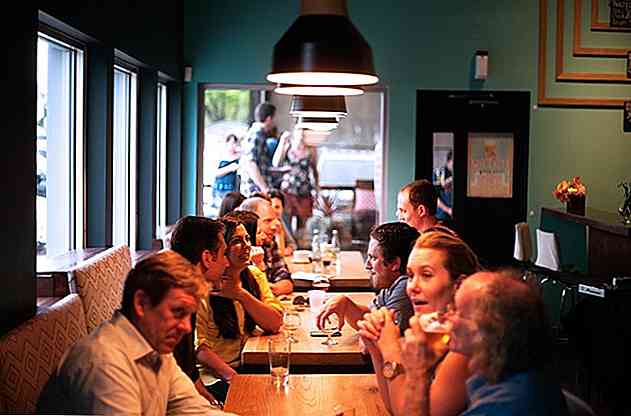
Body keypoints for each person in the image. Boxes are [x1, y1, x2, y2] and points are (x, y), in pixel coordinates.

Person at [37, 250, 233, 415]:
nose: (187, 327)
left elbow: (195, 410)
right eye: (177, 312)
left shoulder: (154, 347)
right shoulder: (104, 362)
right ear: (141, 303)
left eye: (189, 315)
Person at [401, 270, 569, 416]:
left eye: (456, 310)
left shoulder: (507, 404)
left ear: (487, 330)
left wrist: (416, 374)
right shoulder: (495, 370)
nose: (446, 317)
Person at [358, 230, 481, 416]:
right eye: (410, 275)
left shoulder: (466, 345)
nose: (412, 287)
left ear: (458, 285)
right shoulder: (435, 332)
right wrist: (375, 346)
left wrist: (391, 349)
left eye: (426, 275)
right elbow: (396, 407)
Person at [195, 217, 283, 404]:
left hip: (248, 365)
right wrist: (234, 378)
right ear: (222, 249)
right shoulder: (206, 285)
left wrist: (240, 294)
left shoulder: (253, 275)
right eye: (237, 241)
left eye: (247, 239)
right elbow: (199, 348)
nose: (247, 246)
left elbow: (275, 323)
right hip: (216, 376)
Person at [316, 222, 419, 335]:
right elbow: (370, 316)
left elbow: (383, 336)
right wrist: (346, 304)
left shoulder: (404, 286)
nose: (367, 266)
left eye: (373, 258)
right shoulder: (391, 284)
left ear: (395, 263)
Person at [169, 216, 229, 404]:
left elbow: (187, 369)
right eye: (224, 254)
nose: (227, 263)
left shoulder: (188, 290)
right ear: (207, 258)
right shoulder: (176, 301)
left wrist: (210, 403)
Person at [239, 196, 294, 295]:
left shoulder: (269, 243)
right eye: (268, 221)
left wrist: (270, 289)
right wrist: (268, 289)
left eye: (276, 219)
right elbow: (249, 291)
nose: (274, 226)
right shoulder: (239, 251)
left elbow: (286, 279)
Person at [272, 127, 320, 232]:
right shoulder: (288, 146)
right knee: (286, 221)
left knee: (303, 223)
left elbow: (315, 171)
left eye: (304, 134)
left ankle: (301, 241)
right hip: (288, 189)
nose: (301, 136)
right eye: (300, 133)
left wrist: (317, 190)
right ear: (295, 134)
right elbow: (276, 163)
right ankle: (289, 241)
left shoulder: (311, 149)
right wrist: (282, 142)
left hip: (304, 190)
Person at [240, 102, 276, 196]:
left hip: (256, 189)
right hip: (254, 191)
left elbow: (261, 164)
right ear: (269, 119)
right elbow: (250, 164)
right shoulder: (256, 135)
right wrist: (264, 188)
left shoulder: (256, 134)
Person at [212, 134, 241, 209]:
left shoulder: (239, 157)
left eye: (235, 143)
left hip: (232, 189)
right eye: (232, 143)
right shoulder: (220, 156)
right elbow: (215, 173)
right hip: (219, 189)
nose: (234, 146)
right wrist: (230, 168)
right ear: (226, 143)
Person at [268, 188, 297, 256]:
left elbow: (293, 244)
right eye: (270, 207)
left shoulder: (280, 222)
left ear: (282, 208)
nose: (274, 210)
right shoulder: (263, 225)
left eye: (277, 207)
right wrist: (281, 252)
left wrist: (289, 249)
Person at [433, 150, 453, 223]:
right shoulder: (438, 173)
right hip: (442, 216)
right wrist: (448, 210)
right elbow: (433, 196)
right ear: (449, 161)